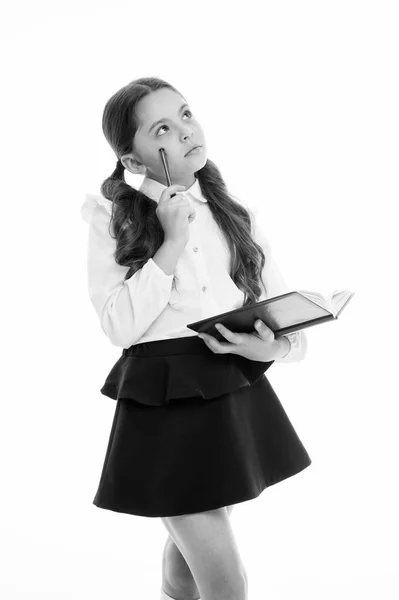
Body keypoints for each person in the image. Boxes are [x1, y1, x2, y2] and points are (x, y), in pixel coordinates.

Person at [80, 76, 312, 600]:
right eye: (163, 127)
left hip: (231, 388)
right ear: (134, 162)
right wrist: (171, 240)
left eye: (186, 115)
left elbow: (285, 323)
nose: (186, 131)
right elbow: (117, 325)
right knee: (227, 584)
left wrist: (270, 348)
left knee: (184, 574)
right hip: (161, 401)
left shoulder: (237, 215)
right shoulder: (112, 216)